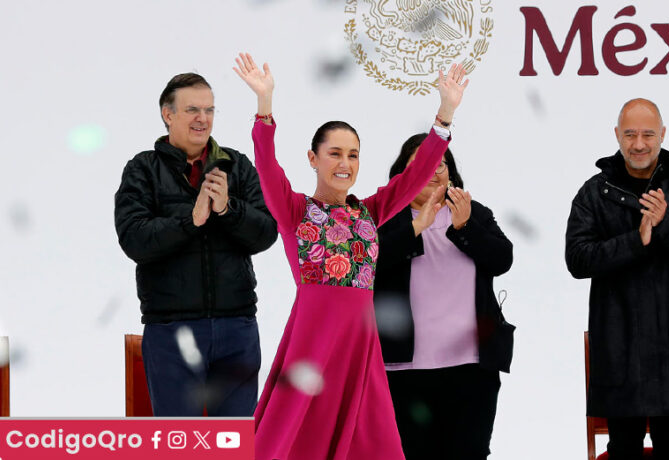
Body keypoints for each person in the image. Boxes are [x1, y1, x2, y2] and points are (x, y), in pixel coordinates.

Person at [233, 52, 467, 459]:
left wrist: (444, 116)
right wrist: (264, 107)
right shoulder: (295, 212)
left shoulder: (369, 212)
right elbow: (267, 167)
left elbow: (412, 179)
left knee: (373, 439)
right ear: (313, 158)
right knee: (293, 436)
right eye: (335, 153)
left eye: (353, 154)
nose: (345, 163)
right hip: (313, 341)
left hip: (359, 346)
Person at [565, 99, 669, 460]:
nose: (639, 143)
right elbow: (577, 260)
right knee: (623, 450)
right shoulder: (594, 192)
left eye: (648, 134)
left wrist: (666, 225)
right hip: (619, 348)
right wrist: (636, 240)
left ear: (663, 135)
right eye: (631, 134)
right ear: (617, 136)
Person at [114, 72, 277, 416]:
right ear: (167, 114)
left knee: (236, 443)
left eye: (210, 110)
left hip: (238, 328)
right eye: (192, 109)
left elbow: (267, 233)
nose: (203, 118)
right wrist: (192, 219)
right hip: (172, 331)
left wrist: (227, 209)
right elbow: (135, 239)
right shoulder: (143, 169)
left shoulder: (237, 166)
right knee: (179, 443)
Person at [374, 135, 514, 460]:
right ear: (401, 175)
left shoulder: (474, 213)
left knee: (471, 453)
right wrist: (416, 226)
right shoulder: (384, 219)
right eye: (421, 164)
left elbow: (502, 259)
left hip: (472, 367)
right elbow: (371, 264)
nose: (434, 170)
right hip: (403, 370)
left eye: (441, 163)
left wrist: (464, 227)